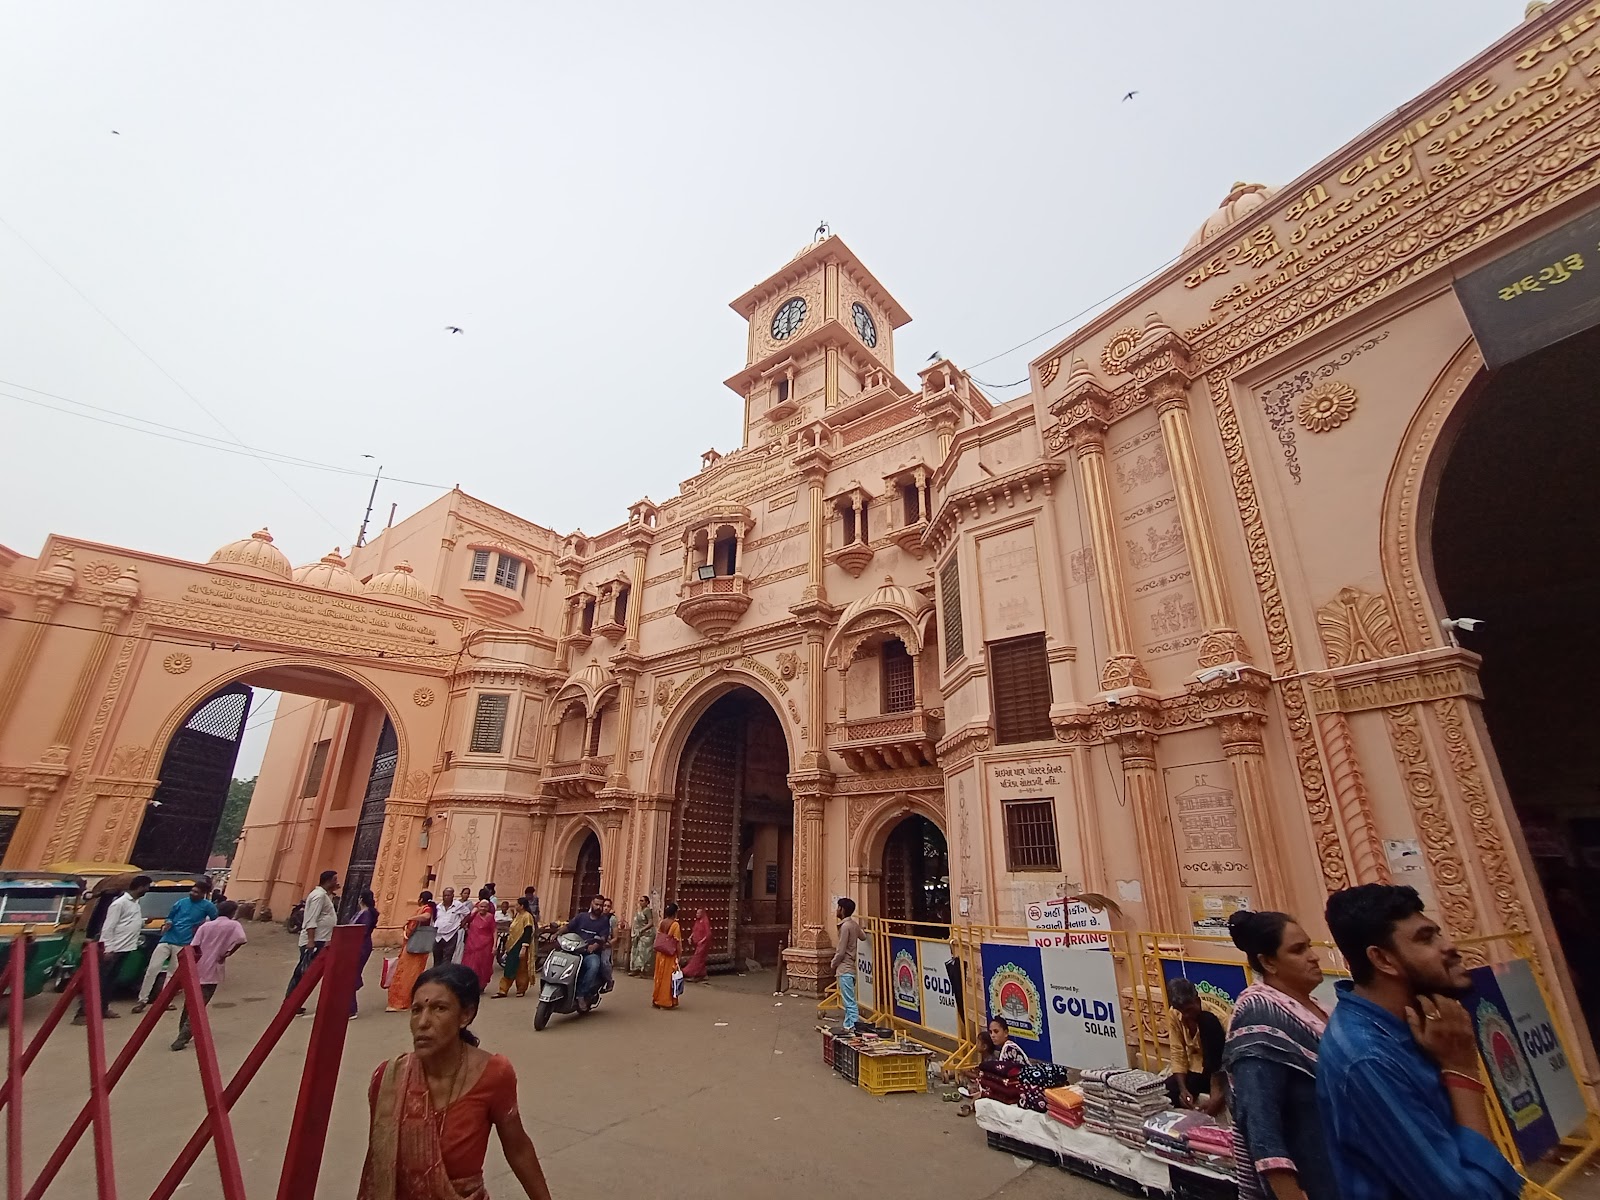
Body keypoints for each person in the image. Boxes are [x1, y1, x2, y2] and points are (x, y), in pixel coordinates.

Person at [1318, 883, 1522, 1199]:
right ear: (1383, 959)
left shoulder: (1420, 1031)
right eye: (1426, 939)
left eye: (1438, 934)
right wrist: (1462, 1071)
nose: (1450, 947)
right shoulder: (1367, 1058)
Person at [358, 963, 553, 1200]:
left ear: (465, 1016)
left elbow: (518, 1148)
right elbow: (379, 1165)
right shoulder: (389, 1078)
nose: (423, 1022)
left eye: (439, 1008)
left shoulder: (493, 1074)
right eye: (416, 1010)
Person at [1223, 909, 1339, 1200]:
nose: (1313, 956)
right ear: (1268, 962)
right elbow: (1260, 1121)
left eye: (1309, 946)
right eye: (1299, 950)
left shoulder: (1323, 1010)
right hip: (1313, 1176)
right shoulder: (1260, 1015)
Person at [131, 876, 216, 1013]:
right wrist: (168, 922)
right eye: (192, 891)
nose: (193, 893)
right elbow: (170, 916)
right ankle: (142, 1000)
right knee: (152, 969)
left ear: (203, 894)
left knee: (172, 973)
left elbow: (214, 923)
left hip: (185, 943)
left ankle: (166, 1001)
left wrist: (201, 928)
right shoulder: (181, 903)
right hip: (167, 938)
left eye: (196, 892)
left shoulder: (208, 907)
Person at [172, 898, 247, 1051]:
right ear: (232, 913)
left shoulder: (206, 926)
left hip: (197, 967)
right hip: (213, 968)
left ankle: (183, 1031)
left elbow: (194, 946)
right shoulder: (233, 925)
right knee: (200, 1004)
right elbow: (241, 940)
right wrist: (227, 953)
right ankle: (182, 1037)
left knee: (190, 1002)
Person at [74, 874, 149, 1024]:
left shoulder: (135, 903)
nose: (147, 890)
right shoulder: (119, 903)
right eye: (147, 887)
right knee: (99, 981)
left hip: (125, 947)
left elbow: (128, 922)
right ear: (141, 887)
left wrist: (142, 922)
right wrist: (108, 948)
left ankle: (103, 1009)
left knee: (110, 982)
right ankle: (83, 1013)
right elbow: (108, 927)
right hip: (113, 948)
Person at [1165, 977, 1227, 1115]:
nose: (1186, 1015)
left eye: (1189, 1009)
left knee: (1207, 1021)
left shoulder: (1216, 1018)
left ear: (1197, 1001)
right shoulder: (1175, 1014)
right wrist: (1183, 1090)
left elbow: (1223, 1060)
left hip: (1220, 1072)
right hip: (1196, 1069)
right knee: (1166, 1091)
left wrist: (1217, 1095)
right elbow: (1178, 1053)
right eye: (1182, 1011)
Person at [284, 870, 339, 1013]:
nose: (336, 882)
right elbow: (311, 919)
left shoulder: (324, 896)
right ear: (328, 881)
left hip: (321, 939)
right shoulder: (318, 896)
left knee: (307, 972)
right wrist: (311, 941)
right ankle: (292, 1001)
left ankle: (294, 1002)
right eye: (334, 880)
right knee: (303, 972)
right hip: (315, 940)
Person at [387, 892, 437, 1013]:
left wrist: (410, 919)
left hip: (414, 947)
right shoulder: (427, 908)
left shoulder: (426, 909)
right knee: (412, 974)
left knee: (407, 975)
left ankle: (402, 1002)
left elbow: (426, 916)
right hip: (418, 947)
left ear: (420, 899)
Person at [563, 895, 612, 1008]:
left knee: (594, 966)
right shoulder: (581, 917)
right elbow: (568, 927)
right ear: (591, 904)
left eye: (601, 905)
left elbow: (603, 937)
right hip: (575, 950)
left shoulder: (604, 921)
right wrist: (557, 934)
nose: (599, 907)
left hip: (590, 953)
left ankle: (581, 994)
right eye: (597, 904)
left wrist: (594, 946)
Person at [493, 897, 536, 999]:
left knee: (521, 968)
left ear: (522, 906)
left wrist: (524, 947)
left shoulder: (527, 916)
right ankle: (503, 990)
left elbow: (528, 932)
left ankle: (521, 989)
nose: (515, 906)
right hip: (512, 945)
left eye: (517, 905)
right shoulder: (518, 915)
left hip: (521, 945)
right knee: (509, 966)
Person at [831, 898, 862, 1032]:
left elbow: (841, 951)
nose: (836, 910)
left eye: (838, 907)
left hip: (845, 968)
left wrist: (833, 963)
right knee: (849, 1000)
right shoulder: (853, 925)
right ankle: (848, 1026)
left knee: (850, 1003)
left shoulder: (845, 927)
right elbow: (864, 937)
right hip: (851, 968)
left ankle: (855, 1027)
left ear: (842, 910)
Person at [350, 889, 381, 1018]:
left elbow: (362, 930)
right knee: (351, 974)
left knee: (351, 975)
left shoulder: (366, 914)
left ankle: (351, 1008)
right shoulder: (363, 912)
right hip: (357, 945)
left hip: (360, 946)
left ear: (361, 899)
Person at [652, 902, 682, 1010]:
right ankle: (665, 1001)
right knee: (667, 978)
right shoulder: (675, 925)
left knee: (659, 976)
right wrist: (679, 954)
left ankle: (656, 998)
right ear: (675, 913)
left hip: (660, 953)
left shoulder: (662, 923)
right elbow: (677, 941)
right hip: (669, 954)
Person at [433, 888, 466, 968]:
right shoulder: (438, 907)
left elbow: (468, 913)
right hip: (438, 936)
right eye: (445, 895)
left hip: (451, 935)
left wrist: (463, 923)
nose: (446, 897)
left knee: (447, 958)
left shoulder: (458, 905)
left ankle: (444, 977)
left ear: (452, 896)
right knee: (437, 958)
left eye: (448, 895)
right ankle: (436, 976)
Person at [682, 907, 712, 982]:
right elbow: (694, 930)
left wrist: (702, 941)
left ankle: (692, 974)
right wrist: (690, 937)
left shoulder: (705, 921)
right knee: (700, 959)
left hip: (703, 944)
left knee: (697, 959)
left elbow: (708, 934)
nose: (697, 914)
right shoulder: (698, 921)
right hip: (698, 943)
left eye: (698, 913)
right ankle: (703, 975)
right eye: (696, 913)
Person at [628, 895, 655, 977]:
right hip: (639, 935)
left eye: (642, 901)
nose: (641, 902)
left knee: (644, 953)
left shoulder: (647, 911)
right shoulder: (640, 911)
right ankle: (636, 969)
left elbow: (650, 923)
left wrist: (642, 929)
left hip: (646, 935)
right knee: (637, 952)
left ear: (647, 902)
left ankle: (644, 971)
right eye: (640, 900)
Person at [599, 897, 618, 991]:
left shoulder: (612, 919)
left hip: (605, 946)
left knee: (604, 963)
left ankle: (609, 980)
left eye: (608, 906)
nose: (606, 908)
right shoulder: (596, 916)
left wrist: (608, 944)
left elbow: (615, 937)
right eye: (604, 906)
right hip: (594, 944)